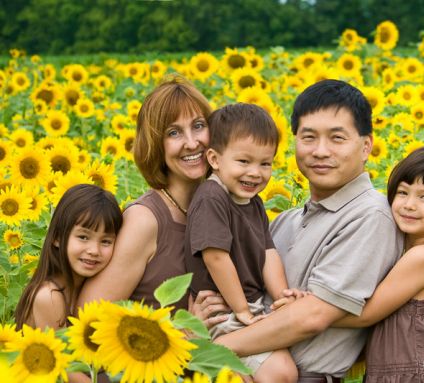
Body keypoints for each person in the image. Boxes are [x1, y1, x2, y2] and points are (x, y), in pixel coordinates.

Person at [214, 79, 404, 382]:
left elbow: (311, 317)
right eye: (308, 137)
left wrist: (208, 350)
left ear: (366, 146)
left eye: (337, 138)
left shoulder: (371, 215)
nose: (320, 151)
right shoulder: (283, 221)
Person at [76, 74, 230, 383]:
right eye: (174, 132)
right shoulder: (145, 221)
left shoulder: (219, 205)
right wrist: (183, 332)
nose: (192, 142)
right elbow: (86, 328)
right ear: (156, 146)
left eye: (199, 125)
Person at [331, 145, 424, 382]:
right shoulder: (417, 254)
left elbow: (366, 315)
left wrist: (310, 315)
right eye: (403, 192)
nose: (409, 204)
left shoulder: (422, 257)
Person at [185, 103, 298, 382]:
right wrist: (242, 311)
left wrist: (283, 297)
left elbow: (267, 252)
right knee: (272, 373)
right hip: (221, 314)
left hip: (248, 307)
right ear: (214, 159)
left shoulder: (254, 202)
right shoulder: (212, 197)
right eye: (244, 161)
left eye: (265, 163)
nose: (255, 173)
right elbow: (216, 258)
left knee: (281, 372)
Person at [14, 184, 123, 383]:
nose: (94, 250)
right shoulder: (50, 296)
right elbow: (66, 369)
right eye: (83, 237)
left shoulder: (91, 286)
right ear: (57, 237)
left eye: (106, 241)